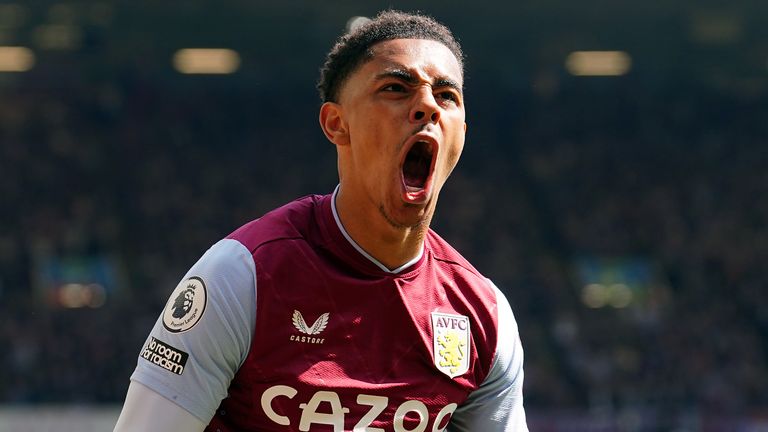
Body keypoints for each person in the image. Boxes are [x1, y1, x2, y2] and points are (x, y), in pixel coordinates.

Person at [114, 10, 528, 431]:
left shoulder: (484, 314)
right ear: (337, 123)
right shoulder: (241, 276)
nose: (426, 106)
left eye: (447, 96)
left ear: (462, 131)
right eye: (396, 88)